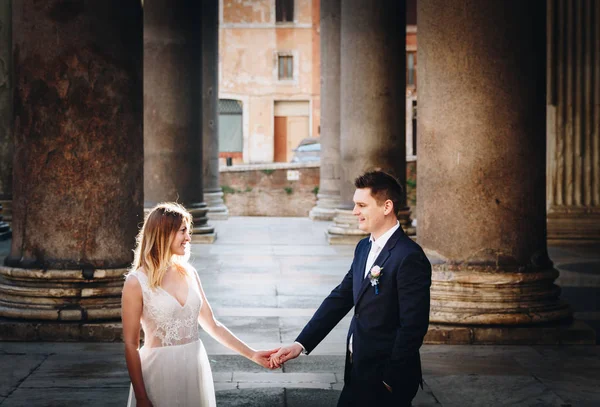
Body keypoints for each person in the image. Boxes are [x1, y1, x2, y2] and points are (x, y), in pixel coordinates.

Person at [271, 171, 432, 407]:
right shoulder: (363, 248)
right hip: (357, 371)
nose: (355, 211)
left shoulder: (409, 257)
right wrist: (301, 344)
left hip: (386, 380)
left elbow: (413, 326)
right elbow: (340, 298)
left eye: (361, 205)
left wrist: (390, 378)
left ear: (386, 206)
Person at [122, 202, 278, 407]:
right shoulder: (136, 282)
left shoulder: (189, 273)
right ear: (163, 233)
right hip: (158, 372)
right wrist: (142, 397)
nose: (188, 237)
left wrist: (253, 354)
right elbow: (131, 344)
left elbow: (212, 325)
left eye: (188, 231)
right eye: (182, 231)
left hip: (194, 368)